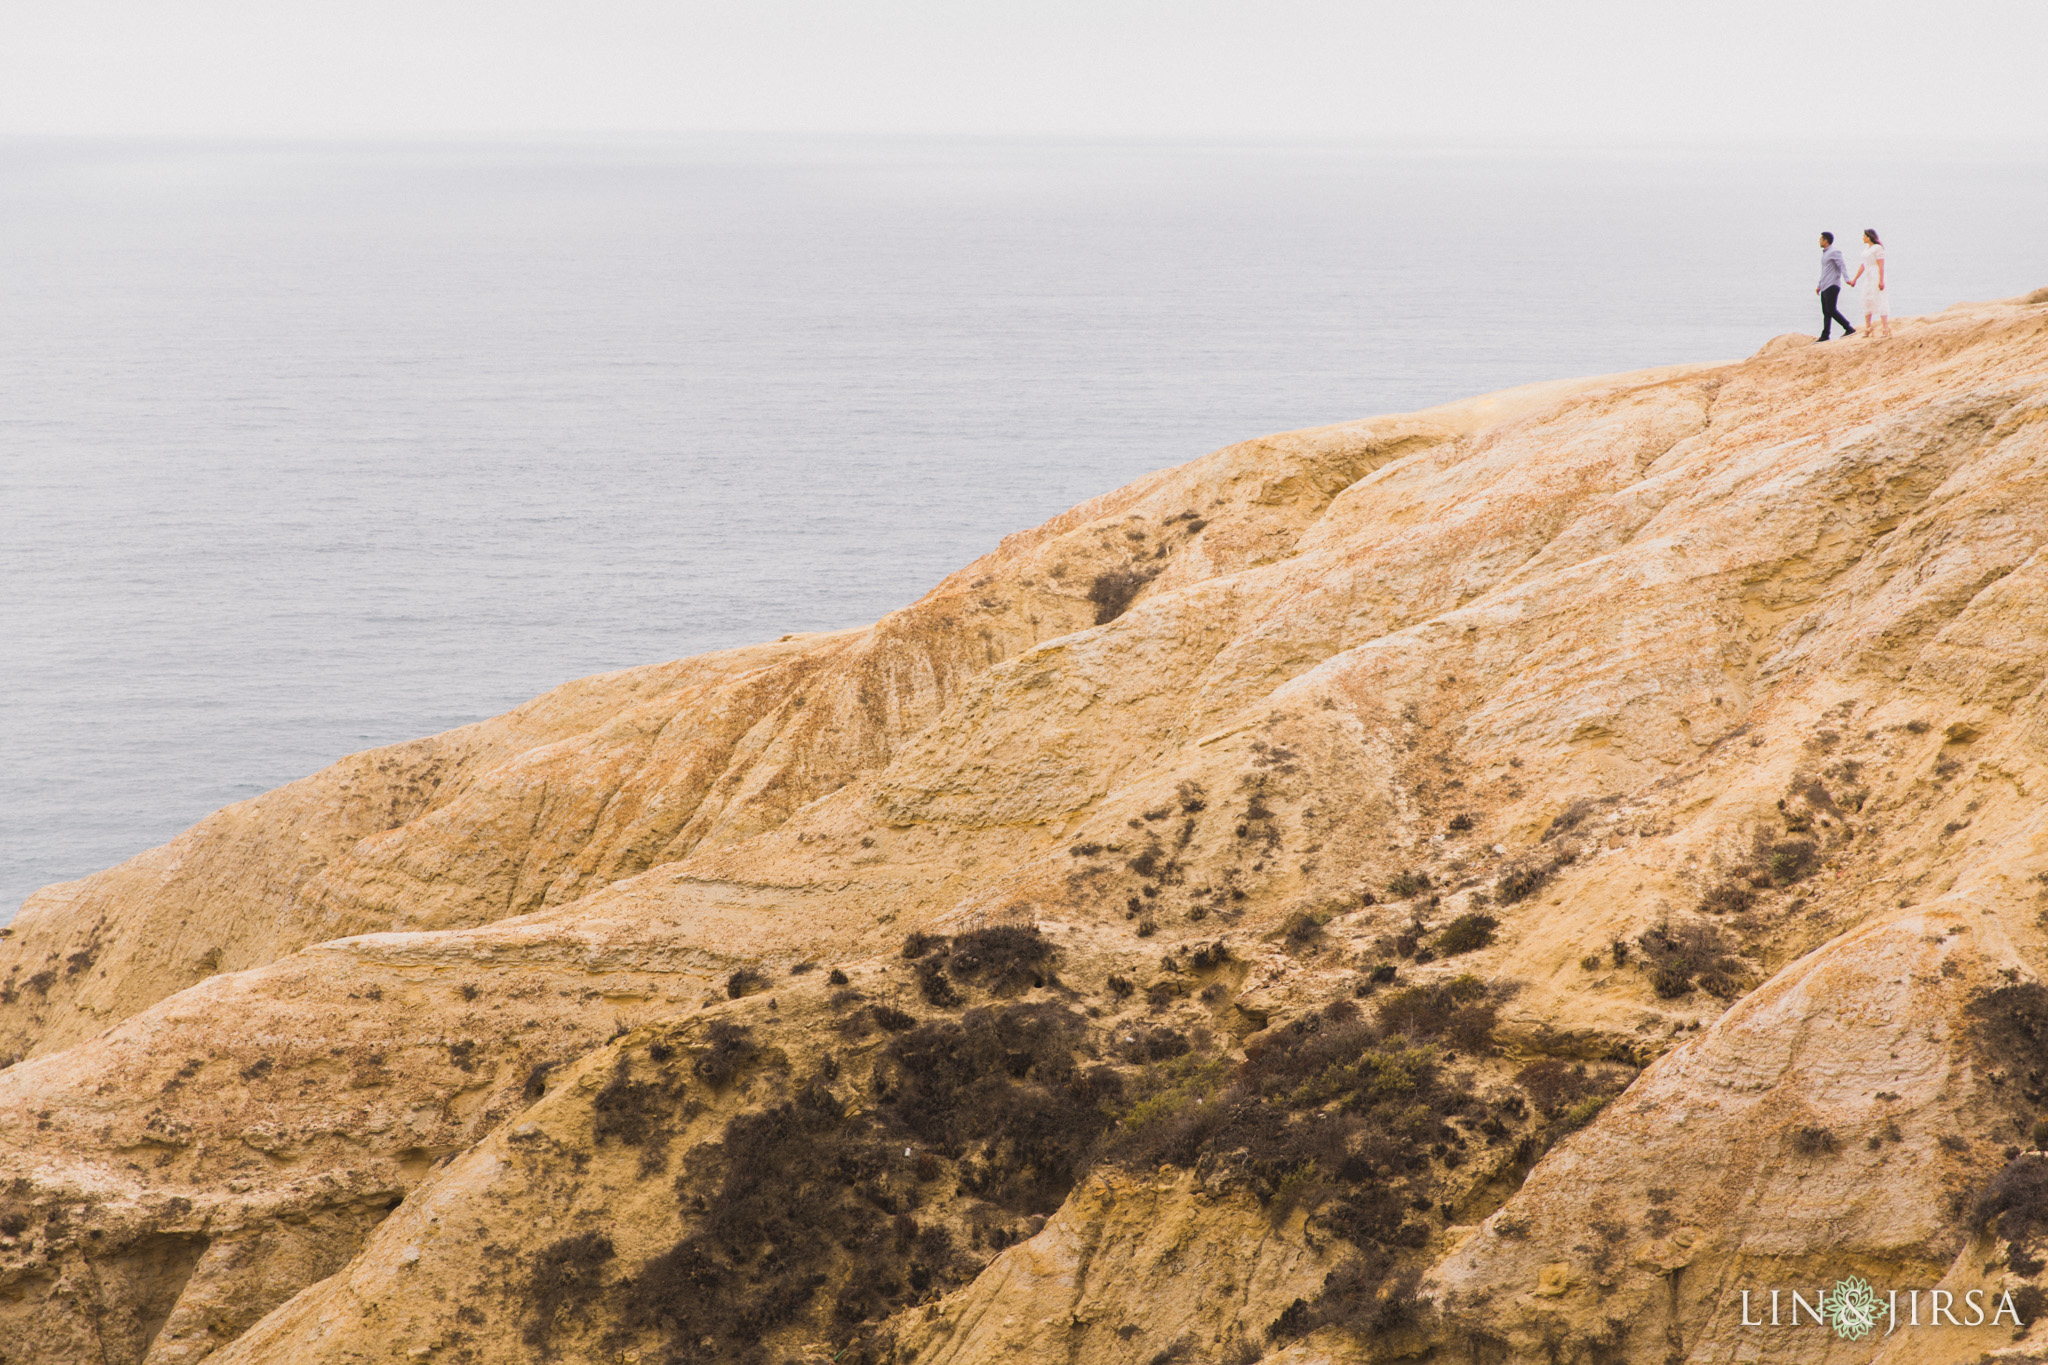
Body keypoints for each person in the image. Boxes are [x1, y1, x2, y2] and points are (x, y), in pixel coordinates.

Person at [1849, 229, 1891, 339]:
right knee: (1867, 299)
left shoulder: (1877, 248)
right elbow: (1863, 265)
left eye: (1864, 236)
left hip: (1876, 275)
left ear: (1869, 237)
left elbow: (1881, 265)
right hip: (1868, 276)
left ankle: (1885, 328)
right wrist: (1855, 279)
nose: (1862, 238)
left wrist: (1881, 280)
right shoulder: (1866, 249)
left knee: (1880, 298)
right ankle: (1868, 327)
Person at [1816, 232, 1856, 341]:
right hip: (1825, 285)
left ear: (1825, 241)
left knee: (1831, 309)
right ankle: (1825, 335)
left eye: (1821, 239)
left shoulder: (1834, 252)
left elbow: (1842, 265)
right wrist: (1819, 284)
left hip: (1832, 284)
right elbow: (1824, 271)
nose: (1819, 241)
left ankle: (1848, 328)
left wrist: (1847, 279)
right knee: (1826, 311)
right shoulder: (1825, 253)